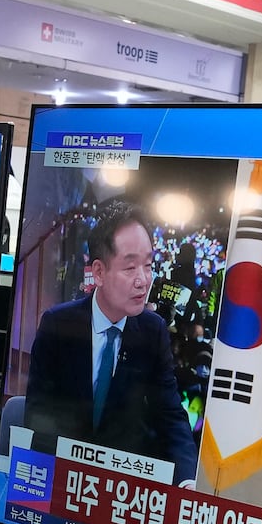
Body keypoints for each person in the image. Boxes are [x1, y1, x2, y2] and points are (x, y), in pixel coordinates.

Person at [24, 202, 198, 485]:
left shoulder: (153, 331)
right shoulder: (58, 325)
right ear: (100, 272)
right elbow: (38, 414)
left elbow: (170, 415)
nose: (143, 280)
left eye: (148, 265)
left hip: (122, 488)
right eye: (130, 267)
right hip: (59, 478)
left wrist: (186, 479)